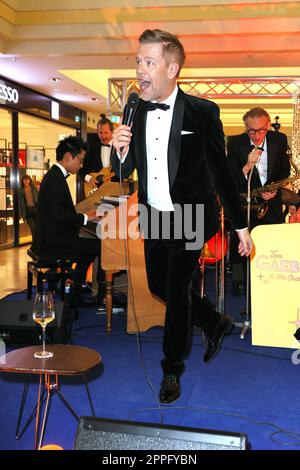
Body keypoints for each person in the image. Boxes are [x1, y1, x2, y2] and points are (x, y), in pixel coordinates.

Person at [112, 29, 252, 404]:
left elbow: (221, 172)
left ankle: (171, 369)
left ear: (172, 68)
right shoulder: (135, 108)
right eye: (138, 61)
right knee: (158, 285)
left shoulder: (202, 112)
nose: (140, 69)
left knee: (175, 293)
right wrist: (119, 150)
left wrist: (241, 227)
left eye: (149, 62)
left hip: (191, 214)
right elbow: (122, 170)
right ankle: (214, 321)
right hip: (154, 214)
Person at [31, 135, 105, 313]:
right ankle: (100, 297)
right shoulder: (55, 179)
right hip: (54, 239)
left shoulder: (54, 176)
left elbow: (61, 213)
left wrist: (85, 217)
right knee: (101, 247)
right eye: (80, 160)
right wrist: (86, 218)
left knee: (91, 248)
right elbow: (59, 215)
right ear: (67, 157)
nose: (81, 166)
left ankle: (74, 293)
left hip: (55, 234)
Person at [227, 107, 290, 295]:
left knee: (272, 245)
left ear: (268, 125)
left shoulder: (279, 140)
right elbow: (231, 179)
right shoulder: (235, 143)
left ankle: (270, 284)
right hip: (246, 204)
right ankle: (240, 284)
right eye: (251, 131)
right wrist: (247, 166)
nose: (256, 135)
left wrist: (275, 189)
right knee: (241, 246)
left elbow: (284, 171)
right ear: (245, 127)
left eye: (261, 130)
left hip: (271, 202)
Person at [79, 114, 116, 190]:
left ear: (112, 132)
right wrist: (89, 179)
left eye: (106, 133)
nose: (103, 136)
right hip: (94, 189)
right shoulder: (91, 147)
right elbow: (80, 168)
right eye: (100, 133)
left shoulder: (119, 148)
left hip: (114, 189)